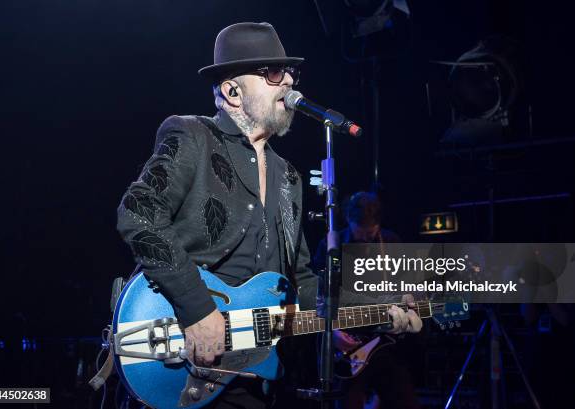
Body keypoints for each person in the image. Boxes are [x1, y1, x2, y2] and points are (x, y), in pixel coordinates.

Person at [117, 23, 418, 408]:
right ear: (232, 91)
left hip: (255, 377)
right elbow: (138, 214)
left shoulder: (288, 177)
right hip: (183, 358)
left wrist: (376, 308)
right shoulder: (193, 136)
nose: (289, 80)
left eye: (291, 72)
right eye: (274, 73)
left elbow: (302, 283)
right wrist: (197, 309)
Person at [313, 191, 422, 409]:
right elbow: (315, 292)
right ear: (349, 222)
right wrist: (332, 331)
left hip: (385, 344)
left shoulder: (391, 243)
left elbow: (410, 287)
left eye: (370, 234)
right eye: (360, 233)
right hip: (346, 345)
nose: (365, 239)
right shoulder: (332, 245)